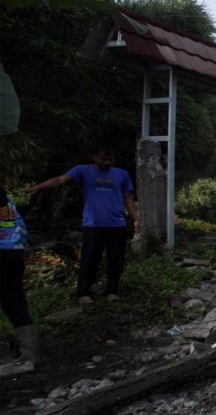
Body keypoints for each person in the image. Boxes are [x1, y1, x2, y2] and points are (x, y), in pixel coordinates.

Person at [25, 144, 141, 304]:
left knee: (116, 259)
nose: (106, 163)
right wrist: (39, 187)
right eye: (103, 159)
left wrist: (135, 218)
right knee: (90, 259)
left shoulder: (121, 174)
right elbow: (60, 179)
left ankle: (112, 290)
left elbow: (127, 197)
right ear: (94, 157)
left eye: (110, 160)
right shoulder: (83, 171)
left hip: (116, 224)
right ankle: (83, 292)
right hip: (93, 224)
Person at [0, 184, 38, 377]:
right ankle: (29, 355)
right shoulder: (8, 204)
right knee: (15, 301)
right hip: (13, 254)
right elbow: (22, 230)